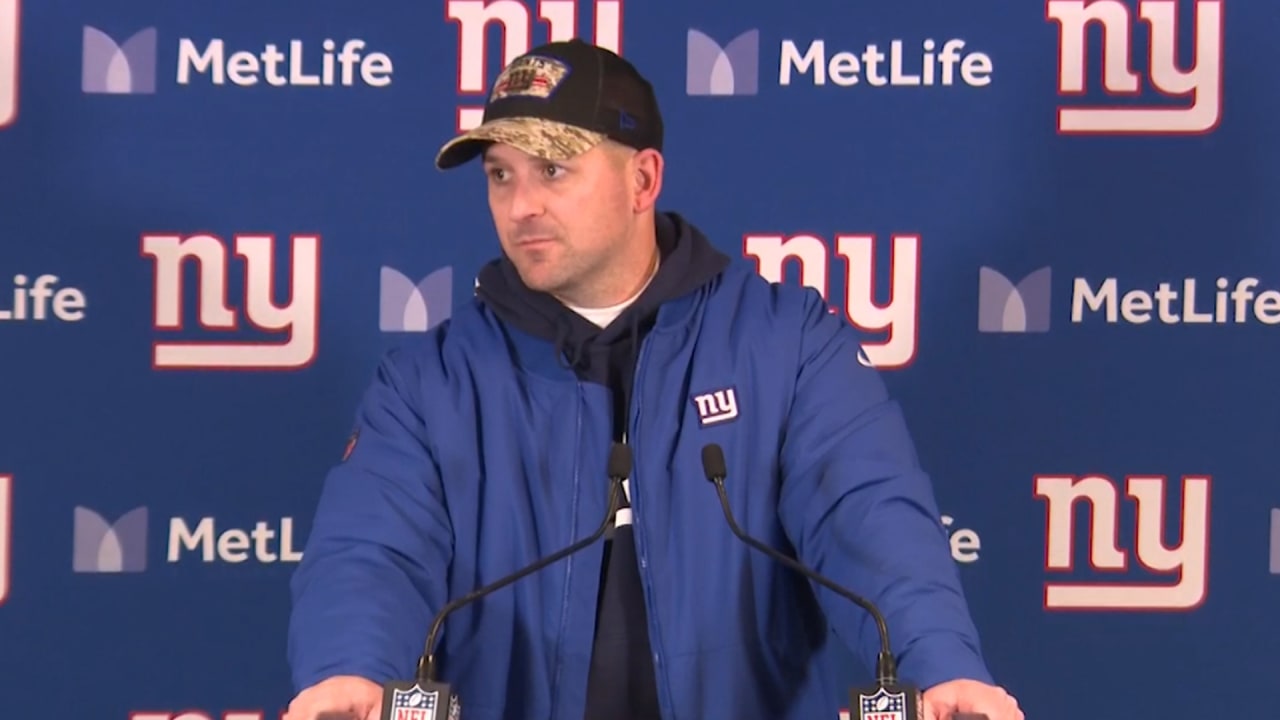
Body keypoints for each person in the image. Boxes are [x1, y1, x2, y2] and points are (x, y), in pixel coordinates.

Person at [283, 39, 1023, 720]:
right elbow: (371, 550)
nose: (521, 205)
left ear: (642, 179)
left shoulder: (787, 344)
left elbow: (869, 515)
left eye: (553, 169)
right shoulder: (428, 382)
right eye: (500, 175)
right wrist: (353, 668)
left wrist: (940, 665)